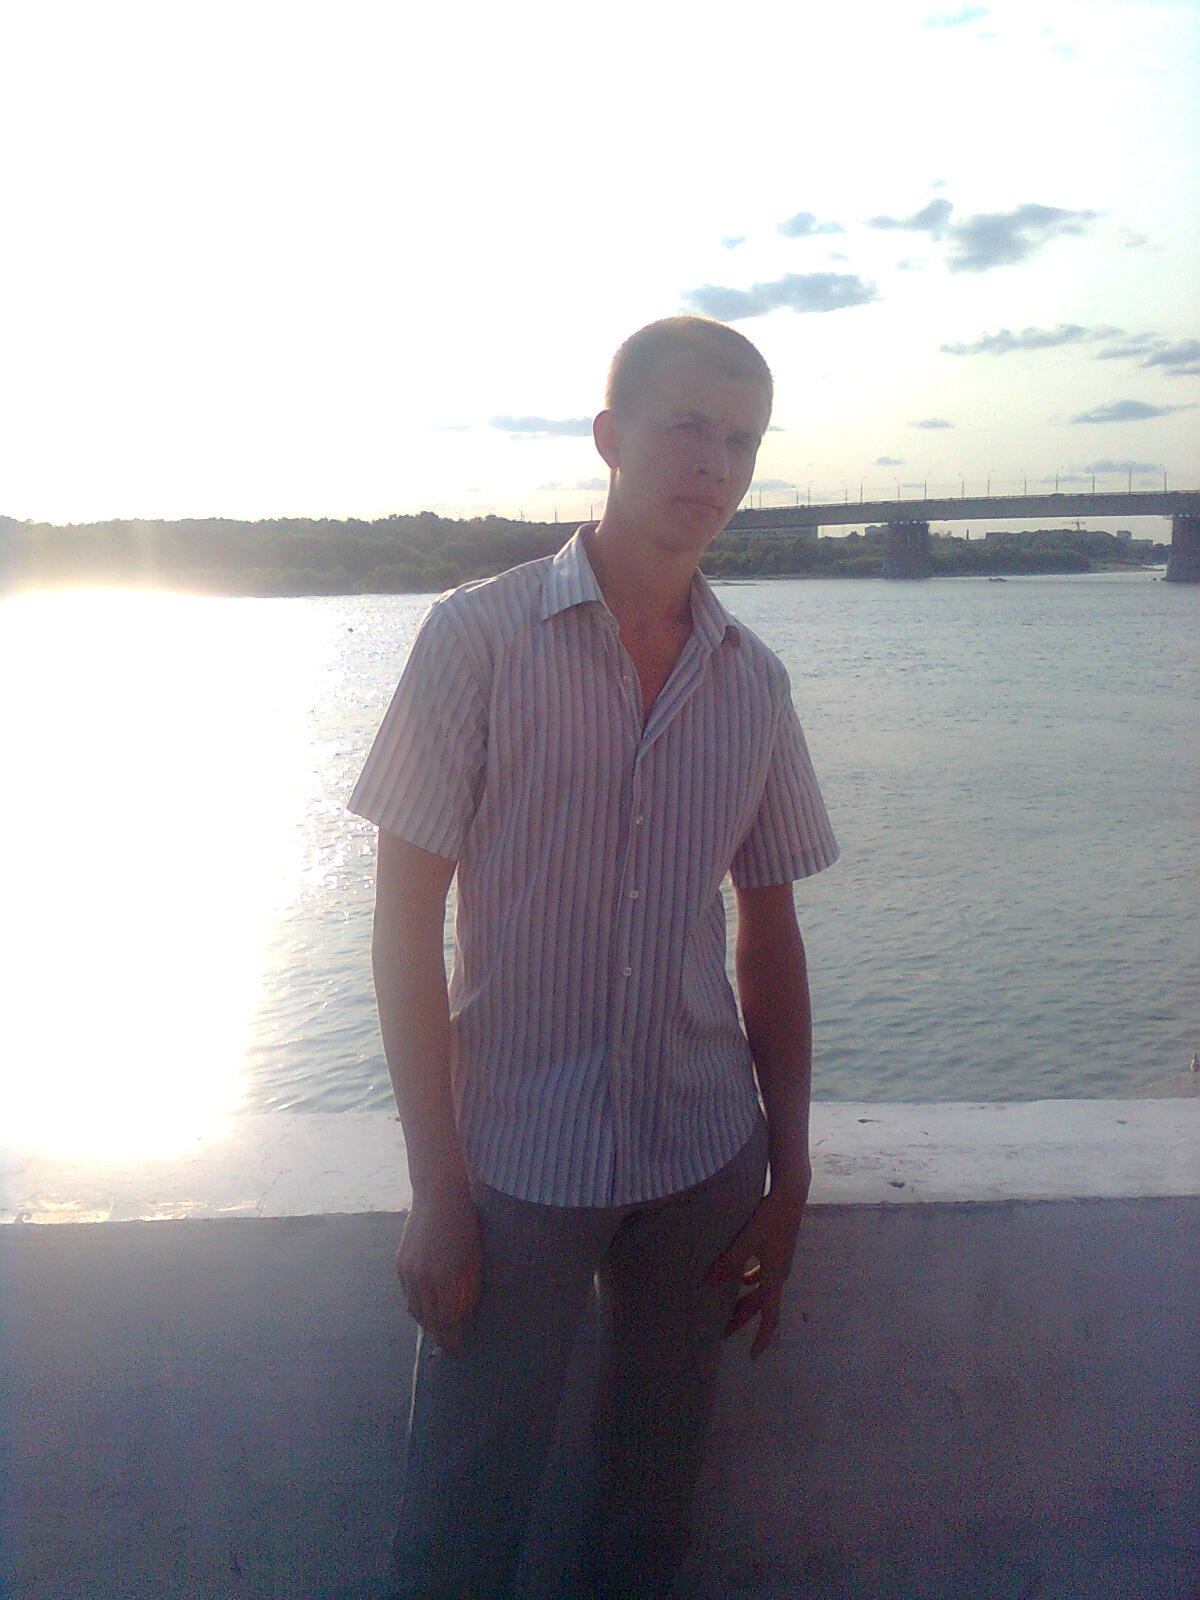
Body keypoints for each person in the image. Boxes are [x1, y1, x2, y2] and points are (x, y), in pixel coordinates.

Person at [349, 315, 838, 1599]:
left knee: (649, 1512)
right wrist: (436, 1186)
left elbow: (770, 932)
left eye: (743, 441)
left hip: (702, 1153)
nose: (716, 464)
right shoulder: (478, 638)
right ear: (612, 437)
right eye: (689, 427)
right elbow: (401, 926)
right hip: (515, 1162)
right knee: (462, 1517)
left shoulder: (754, 682)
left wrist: (789, 1170)